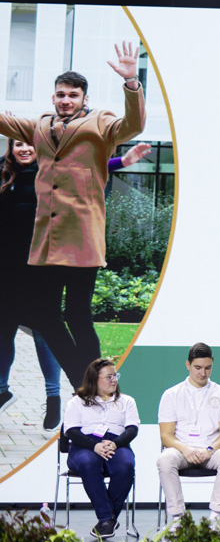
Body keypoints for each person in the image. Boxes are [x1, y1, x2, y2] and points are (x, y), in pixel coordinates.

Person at [0, 44, 147, 394]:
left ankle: (98, 386)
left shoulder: (100, 122)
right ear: (54, 97)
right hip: (47, 242)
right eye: (61, 94)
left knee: (79, 316)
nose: (66, 100)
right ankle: (84, 380)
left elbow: (133, 125)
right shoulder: (40, 125)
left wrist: (131, 82)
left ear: (84, 98)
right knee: (44, 315)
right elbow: (5, 122)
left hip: (82, 238)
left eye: (73, 95)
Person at [0, 138, 150, 428]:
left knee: (49, 327)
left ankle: (59, 396)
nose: (24, 149)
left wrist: (123, 161)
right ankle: (6, 391)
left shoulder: (54, 171)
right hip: (9, 268)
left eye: (30, 144)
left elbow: (92, 167)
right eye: (18, 144)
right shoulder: (4, 173)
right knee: (9, 329)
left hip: (44, 263)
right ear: (10, 147)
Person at [157, 342, 220, 522]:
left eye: (208, 368)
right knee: (165, 459)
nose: (203, 373)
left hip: (211, 451)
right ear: (188, 365)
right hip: (181, 451)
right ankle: (178, 518)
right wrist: (186, 449)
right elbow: (166, 435)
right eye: (198, 368)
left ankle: (215, 517)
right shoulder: (171, 394)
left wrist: (209, 450)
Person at [62, 358, 139, 539]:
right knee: (88, 463)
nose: (114, 380)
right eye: (109, 377)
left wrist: (115, 444)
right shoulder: (77, 402)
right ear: (94, 379)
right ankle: (107, 518)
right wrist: (94, 445)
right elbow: (71, 431)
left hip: (116, 443)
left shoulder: (127, 401)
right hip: (84, 444)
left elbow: (132, 429)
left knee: (126, 465)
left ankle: (106, 521)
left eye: (115, 375)